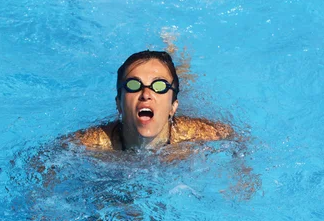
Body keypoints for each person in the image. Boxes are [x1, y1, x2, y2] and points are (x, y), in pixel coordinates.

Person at [69, 50, 234, 151]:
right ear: (118, 103)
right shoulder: (95, 142)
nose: (146, 93)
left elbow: (235, 138)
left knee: (186, 79)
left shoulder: (194, 133)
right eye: (134, 85)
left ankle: (174, 51)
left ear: (173, 107)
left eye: (159, 86)